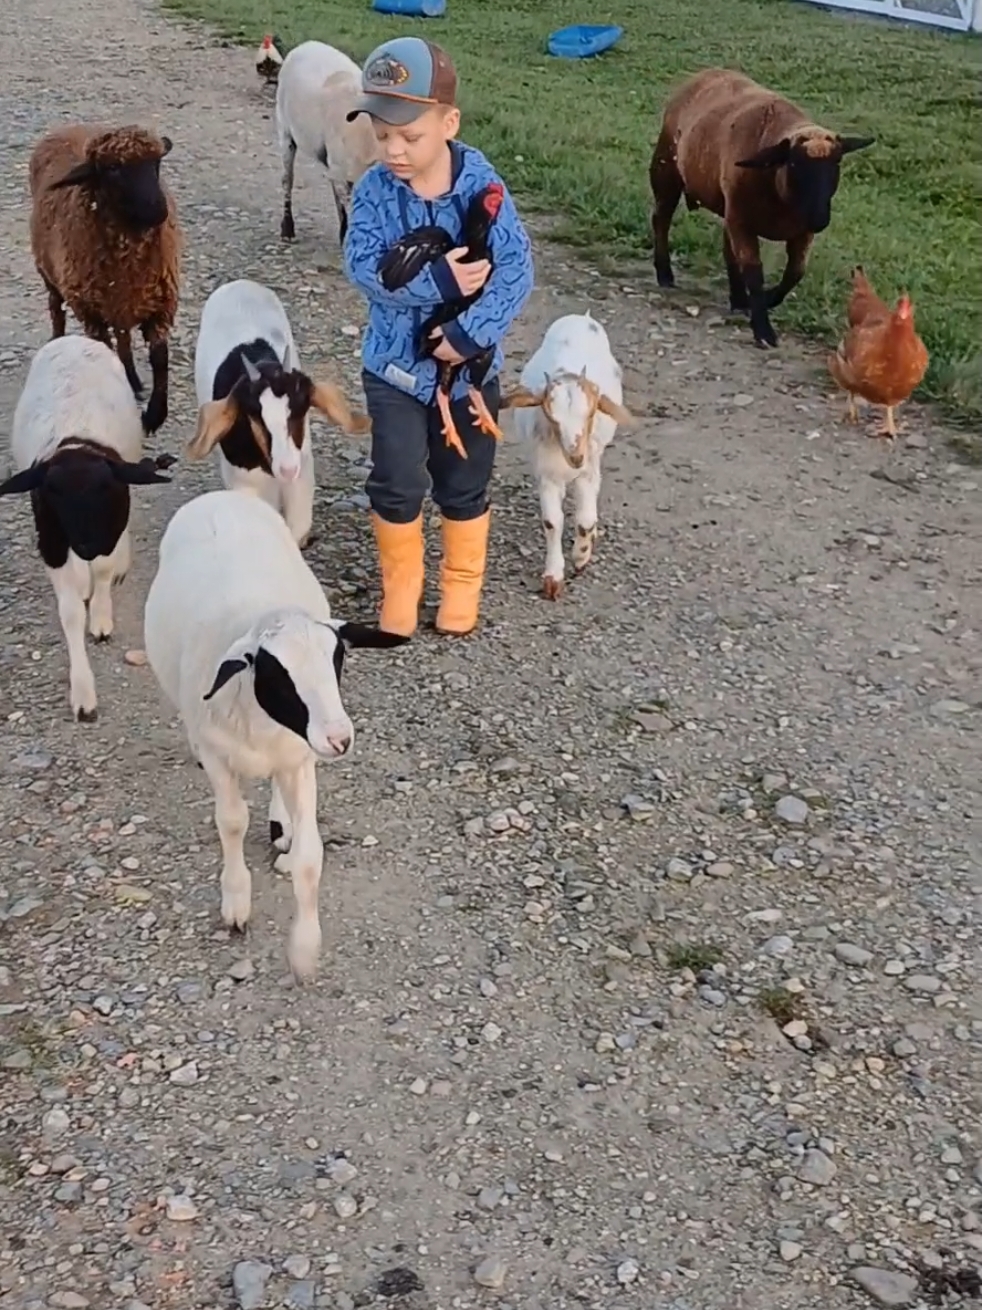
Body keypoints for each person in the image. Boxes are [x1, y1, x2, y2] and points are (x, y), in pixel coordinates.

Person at [343, 35, 534, 638]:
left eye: (410, 136)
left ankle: (460, 586)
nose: (394, 151)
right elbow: (362, 265)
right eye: (382, 136)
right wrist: (437, 280)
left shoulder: (484, 192)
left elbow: (517, 270)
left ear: (448, 122)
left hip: (470, 378)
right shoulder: (375, 190)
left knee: (464, 478)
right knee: (396, 478)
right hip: (394, 370)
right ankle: (401, 592)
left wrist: (469, 334)